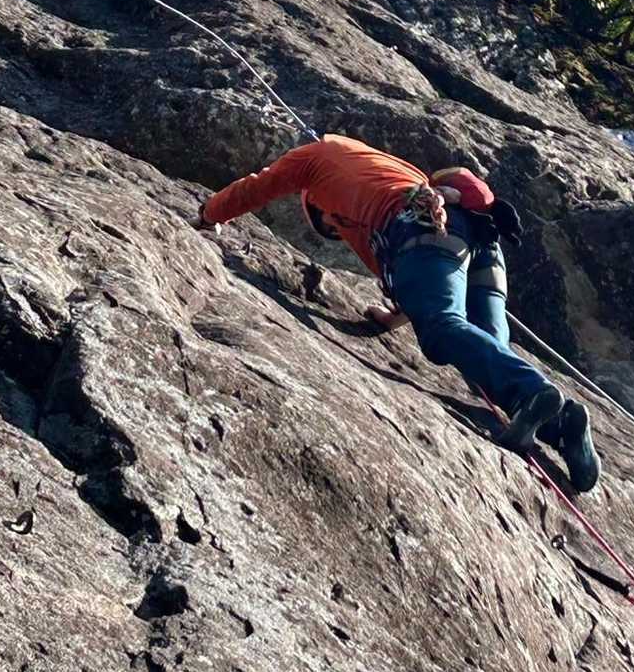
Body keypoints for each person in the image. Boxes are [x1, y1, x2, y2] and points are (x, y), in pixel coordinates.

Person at [196, 133, 600, 491]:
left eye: (329, 226)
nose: (337, 232)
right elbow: (430, 281)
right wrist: (393, 319)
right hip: (479, 239)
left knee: (441, 330)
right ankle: (562, 425)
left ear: (317, 206)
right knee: (485, 356)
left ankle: (534, 392)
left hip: (424, 226)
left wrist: (209, 213)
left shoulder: (312, 163)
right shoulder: (386, 169)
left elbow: (258, 186)